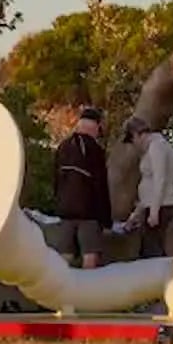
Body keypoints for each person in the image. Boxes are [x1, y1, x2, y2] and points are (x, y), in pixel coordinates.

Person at [53, 105, 113, 268]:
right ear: (95, 127)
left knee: (65, 253)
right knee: (90, 253)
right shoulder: (95, 150)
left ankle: (62, 282)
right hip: (88, 212)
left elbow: (56, 179)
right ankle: (88, 282)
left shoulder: (63, 146)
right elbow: (101, 186)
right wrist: (106, 220)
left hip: (65, 209)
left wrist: (58, 202)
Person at [125, 117, 173, 257]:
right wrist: (135, 216)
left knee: (152, 252)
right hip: (152, 206)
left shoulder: (157, 147)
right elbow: (148, 189)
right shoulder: (151, 149)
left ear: (138, 134)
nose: (134, 144)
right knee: (149, 249)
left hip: (160, 207)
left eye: (132, 140)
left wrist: (154, 212)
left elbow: (159, 179)